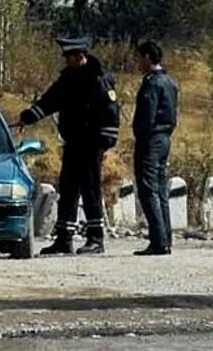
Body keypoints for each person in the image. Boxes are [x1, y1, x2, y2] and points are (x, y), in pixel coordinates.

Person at [19, 36, 119, 254]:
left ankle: (95, 239)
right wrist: (27, 117)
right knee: (69, 189)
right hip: (73, 142)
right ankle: (64, 239)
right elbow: (49, 101)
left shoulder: (98, 79)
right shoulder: (68, 79)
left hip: (92, 144)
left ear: (80, 56)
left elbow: (110, 114)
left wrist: (105, 144)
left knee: (90, 190)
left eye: (69, 58)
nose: (66, 62)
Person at [132, 40, 180, 255]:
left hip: (151, 140)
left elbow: (147, 115)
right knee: (160, 189)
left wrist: (140, 135)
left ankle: (158, 241)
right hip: (165, 138)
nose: (137, 63)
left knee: (149, 189)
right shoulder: (170, 81)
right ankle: (165, 238)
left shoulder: (152, 83)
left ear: (147, 58)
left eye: (139, 58)